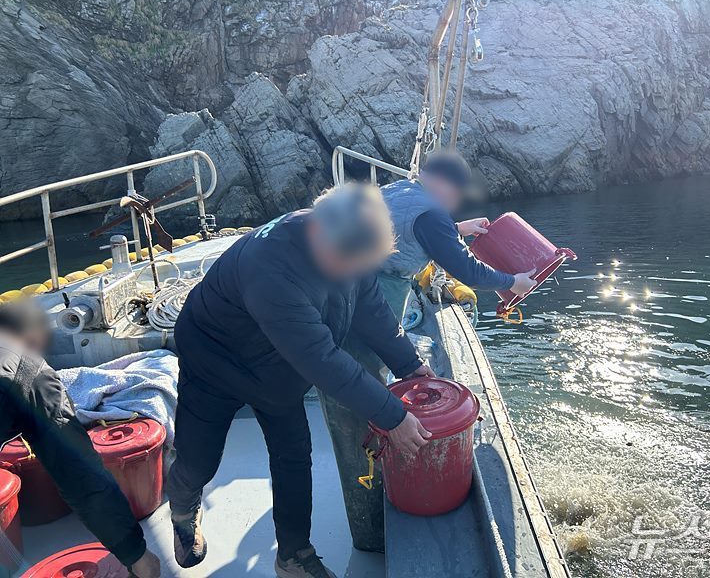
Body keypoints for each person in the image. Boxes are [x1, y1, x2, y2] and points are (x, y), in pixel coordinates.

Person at [167, 183, 434, 578]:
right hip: (215, 360)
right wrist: (393, 416)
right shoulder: (271, 271)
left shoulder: (346, 242)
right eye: (347, 262)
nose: (351, 272)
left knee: (294, 457)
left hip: (278, 370)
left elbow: (371, 307)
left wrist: (409, 364)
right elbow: (322, 360)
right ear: (315, 233)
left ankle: (293, 555)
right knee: (198, 459)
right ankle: (183, 509)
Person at [321, 151, 539, 552]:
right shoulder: (432, 215)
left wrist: (460, 227)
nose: (456, 201)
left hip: (344, 285)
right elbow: (466, 269)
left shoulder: (403, 190)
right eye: (456, 193)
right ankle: (371, 496)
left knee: (362, 362)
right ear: (444, 184)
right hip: (374, 291)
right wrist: (514, 280)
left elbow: (414, 228)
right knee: (363, 374)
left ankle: (370, 430)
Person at [0, 300, 160, 577]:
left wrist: (134, 553)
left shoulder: (24, 380)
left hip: (23, 376)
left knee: (77, 468)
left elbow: (81, 476)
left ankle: (138, 559)